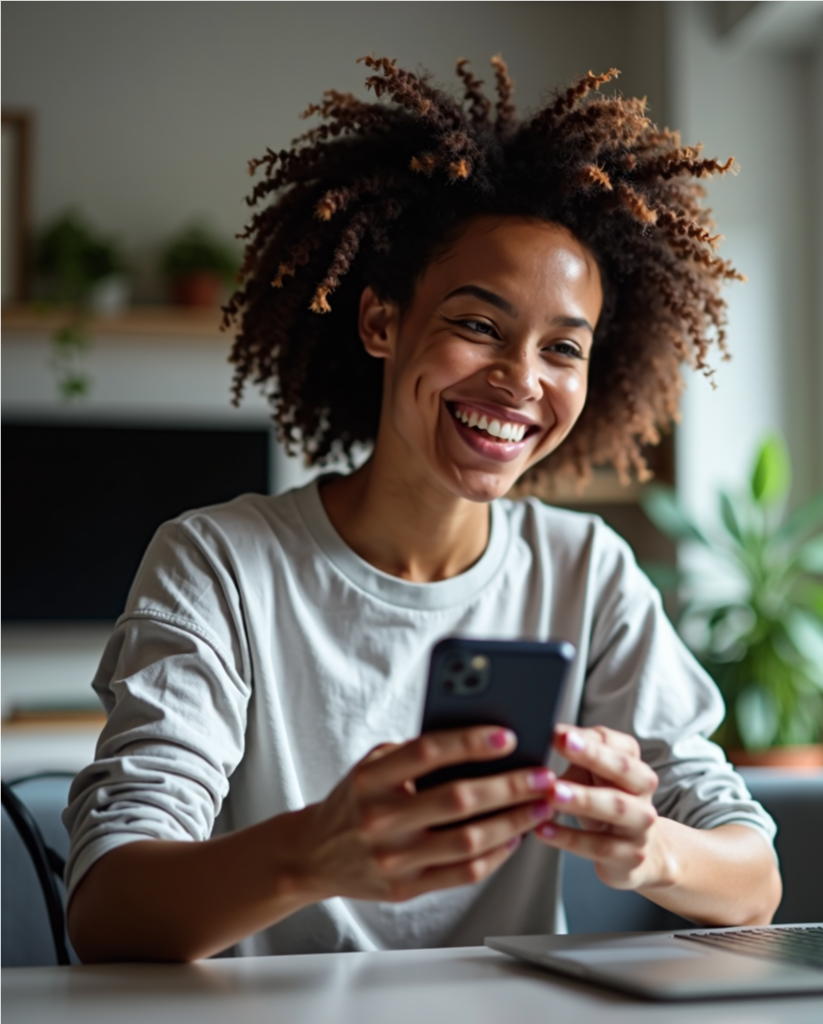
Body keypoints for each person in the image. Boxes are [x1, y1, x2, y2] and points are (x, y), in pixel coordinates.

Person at [63, 56, 781, 963]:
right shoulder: (219, 562)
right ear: (380, 323)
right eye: (478, 325)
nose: (522, 381)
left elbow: (756, 878)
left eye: (563, 348)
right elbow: (106, 910)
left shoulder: (586, 570)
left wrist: (653, 848)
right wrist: (313, 853)